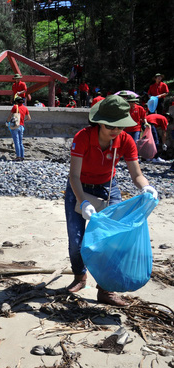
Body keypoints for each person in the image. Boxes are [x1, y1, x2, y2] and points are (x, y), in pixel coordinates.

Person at [64, 95, 158, 306]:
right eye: (110, 126)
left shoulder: (125, 140)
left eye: (120, 126)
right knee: (76, 241)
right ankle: (80, 277)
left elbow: (136, 174)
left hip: (108, 188)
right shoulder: (83, 137)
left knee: (113, 241)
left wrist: (146, 187)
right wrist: (84, 202)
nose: (115, 131)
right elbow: (74, 176)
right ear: (99, 122)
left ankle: (105, 290)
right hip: (79, 188)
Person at [6, 96, 31, 161]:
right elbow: (29, 118)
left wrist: (7, 121)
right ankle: (22, 156)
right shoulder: (25, 108)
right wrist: (23, 121)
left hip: (15, 126)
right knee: (20, 142)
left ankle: (18, 156)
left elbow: (10, 115)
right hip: (22, 126)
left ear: (16, 101)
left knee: (16, 142)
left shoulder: (15, 107)